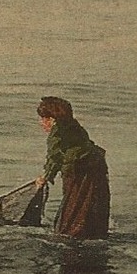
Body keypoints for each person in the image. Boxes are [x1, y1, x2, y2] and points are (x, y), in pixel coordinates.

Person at [35, 96, 110, 240]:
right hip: (97, 167)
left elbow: (54, 156)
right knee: (91, 207)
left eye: (43, 119)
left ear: (52, 119)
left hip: (79, 172)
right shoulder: (75, 126)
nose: (41, 123)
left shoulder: (57, 132)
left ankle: (72, 235)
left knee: (73, 211)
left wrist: (45, 178)